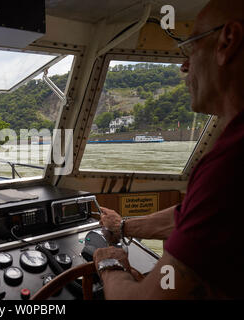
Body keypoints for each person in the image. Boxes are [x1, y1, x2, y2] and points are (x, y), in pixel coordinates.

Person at [93, 0, 244, 299]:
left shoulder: (232, 164)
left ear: (227, 41)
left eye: (190, 48)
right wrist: (122, 226)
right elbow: (193, 218)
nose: (183, 66)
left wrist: (109, 264)